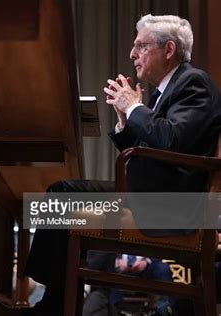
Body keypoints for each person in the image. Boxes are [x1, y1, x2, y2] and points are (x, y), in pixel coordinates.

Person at [24, 14, 221, 316]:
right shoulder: (165, 90)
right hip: (148, 197)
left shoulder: (194, 83)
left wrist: (134, 107)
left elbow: (172, 139)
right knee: (58, 194)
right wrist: (125, 122)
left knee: (59, 198)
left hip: (171, 207)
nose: (132, 55)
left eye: (141, 46)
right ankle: (57, 303)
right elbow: (151, 148)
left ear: (168, 50)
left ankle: (55, 306)